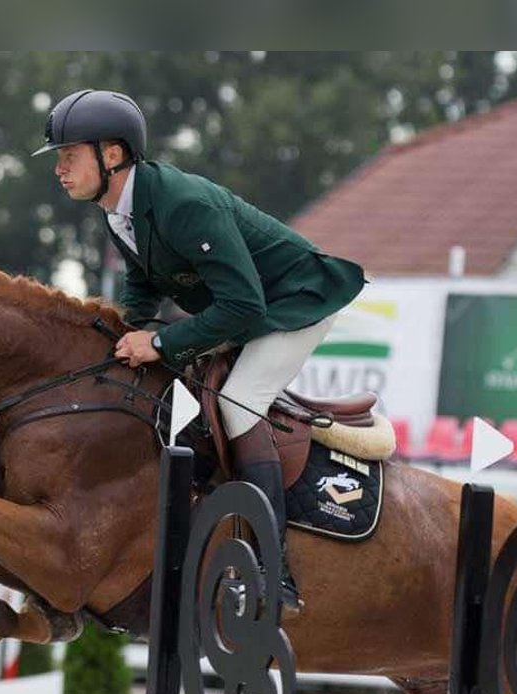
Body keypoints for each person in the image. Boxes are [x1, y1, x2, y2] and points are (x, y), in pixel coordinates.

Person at [32, 89, 366, 607]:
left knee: (238, 404)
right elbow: (143, 287)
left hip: (295, 303)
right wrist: (120, 334)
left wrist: (161, 342)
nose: (59, 169)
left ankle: (269, 569)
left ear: (112, 155)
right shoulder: (118, 209)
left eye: (68, 155)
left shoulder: (183, 204)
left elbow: (245, 309)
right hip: (242, 305)